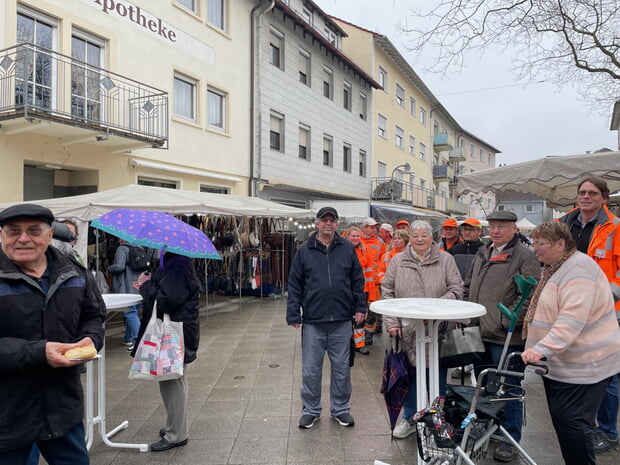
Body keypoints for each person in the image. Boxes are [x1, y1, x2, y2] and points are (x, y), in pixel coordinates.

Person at [0, 203, 105, 465]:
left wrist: (91, 339)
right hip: (8, 414)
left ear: (49, 235)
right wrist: (39, 352)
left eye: (34, 230)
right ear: (1, 234)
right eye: (13, 231)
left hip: (63, 407)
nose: (23, 238)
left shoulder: (74, 273)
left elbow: (94, 316)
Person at [521, 222, 620, 465]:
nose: (535, 249)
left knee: (573, 426)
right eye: (533, 243)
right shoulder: (558, 265)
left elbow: (571, 321)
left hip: (584, 366)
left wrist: (541, 349)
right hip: (563, 365)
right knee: (567, 425)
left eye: (540, 244)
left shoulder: (577, 271)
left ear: (560, 244)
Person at [465, 210, 541, 462]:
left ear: (514, 229)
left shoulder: (524, 255)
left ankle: (510, 437)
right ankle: (490, 427)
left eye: (502, 227)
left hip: (504, 335)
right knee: (484, 385)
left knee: (508, 388)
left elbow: (530, 293)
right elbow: (469, 284)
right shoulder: (483, 252)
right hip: (478, 330)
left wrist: (507, 320)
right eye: (493, 226)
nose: (496, 231)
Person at [382, 220, 464, 439]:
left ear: (432, 237)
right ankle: (411, 417)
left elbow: (457, 289)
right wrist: (392, 323)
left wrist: (433, 309)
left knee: (438, 375)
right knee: (409, 376)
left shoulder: (446, 259)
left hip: (437, 329)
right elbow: (387, 291)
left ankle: (438, 419)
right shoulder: (398, 260)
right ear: (410, 237)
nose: (419, 239)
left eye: (424, 235)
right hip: (406, 330)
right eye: (415, 235)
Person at [287, 206, 366, 429]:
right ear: (317, 224)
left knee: (341, 368)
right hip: (313, 320)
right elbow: (294, 283)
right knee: (311, 370)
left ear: (336, 224)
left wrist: (360, 306)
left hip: (342, 319)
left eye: (332, 220)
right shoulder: (304, 250)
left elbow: (357, 280)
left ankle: (340, 409)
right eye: (324, 220)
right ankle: (311, 410)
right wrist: (294, 312)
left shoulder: (347, 248)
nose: (328, 224)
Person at [558, 176, 620, 454]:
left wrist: (604, 295)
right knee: (576, 367)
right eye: (582, 192)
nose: (585, 196)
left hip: (605, 311)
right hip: (570, 307)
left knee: (607, 373)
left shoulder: (615, 227)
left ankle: (607, 432)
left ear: (604, 198)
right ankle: (583, 424)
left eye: (592, 193)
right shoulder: (564, 224)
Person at [132, 251, 200, 452]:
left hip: (175, 332)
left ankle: (177, 434)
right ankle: (175, 427)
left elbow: (167, 299)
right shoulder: (175, 261)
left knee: (173, 382)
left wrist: (146, 284)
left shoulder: (178, 263)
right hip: (178, 330)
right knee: (172, 381)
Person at [448, 217, 486, 380]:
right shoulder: (454, 250)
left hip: (474, 293)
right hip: (456, 293)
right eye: (465, 230)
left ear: (479, 231)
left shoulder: (485, 250)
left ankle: (470, 363)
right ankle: (457, 362)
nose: (467, 232)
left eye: (471, 229)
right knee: (455, 328)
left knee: (472, 328)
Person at [108, 239, 144, 350]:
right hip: (138, 284)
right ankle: (128, 338)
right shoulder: (140, 248)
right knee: (134, 312)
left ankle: (139, 341)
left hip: (126, 285)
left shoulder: (122, 248)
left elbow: (119, 266)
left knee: (129, 313)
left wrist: (109, 268)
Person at [343, 225, 369, 355]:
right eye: (352, 236)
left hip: (362, 289)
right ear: (347, 236)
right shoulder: (341, 251)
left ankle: (360, 343)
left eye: (357, 236)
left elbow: (367, 271)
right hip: (346, 290)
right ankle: (346, 342)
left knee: (360, 317)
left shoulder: (363, 250)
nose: (355, 238)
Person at [360, 217, 385, 343]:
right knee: (359, 309)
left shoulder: (379, 243)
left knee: (372, 310)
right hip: (359, 283)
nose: (374, 229)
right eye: (371, 227)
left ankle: (369, 333)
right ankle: (357, 335)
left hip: (374, 283)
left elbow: (382, 260)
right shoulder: (356, 240)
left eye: (375, 227)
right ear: (364, 228)